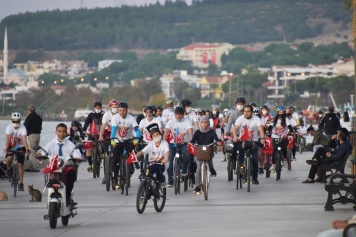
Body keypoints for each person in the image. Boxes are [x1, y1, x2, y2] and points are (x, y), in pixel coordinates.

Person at [38, 123, 82, 204]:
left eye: (64, 131)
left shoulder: (70, 145)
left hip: (66, 166)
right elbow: (44, 152)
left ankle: (67, 195)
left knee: (72, 173)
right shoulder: (50, 144)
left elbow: (76, 154)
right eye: (59, 131)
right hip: (54, 167)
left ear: (67, 133)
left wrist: (77, 158)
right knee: (49, 179)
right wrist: (40, 156)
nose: (61, 133)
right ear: (56, 132)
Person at [110, 101, 141, 187]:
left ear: (126, 110)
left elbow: (137, 130)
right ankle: (115, 178)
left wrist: (137, 138)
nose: (121, 112)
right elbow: (113, 130)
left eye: (123, 110)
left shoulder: (131, 118)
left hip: (128, 141)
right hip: (117, 141)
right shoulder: (115, 118)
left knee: (130, 157)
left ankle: (129, 170)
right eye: (120, 110)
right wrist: (112, 139)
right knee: (115, 159)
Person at [233, 105, 265, 184]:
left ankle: (254, 178)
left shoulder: (256, 119)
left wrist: (262, 138)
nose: (246, 113)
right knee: (240, 153)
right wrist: (235, 137)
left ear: (252, 112)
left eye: (248, 111)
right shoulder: (240, 119)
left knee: (254, 159)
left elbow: (260, 129)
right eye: (245, 111)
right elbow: (235, 128)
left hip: (254, 142)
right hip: (243, 141)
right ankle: (240, 168)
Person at [163, 106, 193, 187]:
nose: (178, 115)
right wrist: (163, 143)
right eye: (177, 114)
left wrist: (192, 141)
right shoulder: (171, 122)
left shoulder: (187, 121)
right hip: (173, 144)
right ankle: (170, 180)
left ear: (183, 114)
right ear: (174, 114)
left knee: (187, 154)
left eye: (180, 114)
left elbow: (190, 131)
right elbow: (166, 132)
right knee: (169, 160)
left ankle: (185, 169)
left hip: (184, 143)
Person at [190, 115, 220, 194]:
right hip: (199, 152)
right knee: (199, 168)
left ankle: (211, 169)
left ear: (208, 123)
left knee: (209, 158)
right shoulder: (197, 132)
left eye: (206, 122)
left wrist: (218, 142)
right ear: (200, 123)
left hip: (209, 150)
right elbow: (192, 141)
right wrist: (191, 144)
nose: (204, 124)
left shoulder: (211, 131)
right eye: (202, 122)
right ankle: (198, 186)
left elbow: (216, 139)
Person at [4, 112, 30, 191]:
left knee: (20, 164)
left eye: (18, 121)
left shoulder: (23, 128)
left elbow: (24, 140)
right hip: (12, 145)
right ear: (11, 120)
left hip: (20, 147)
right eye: (14, 121)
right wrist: (6, 148)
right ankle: (9, 169)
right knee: (9, 158)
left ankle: (21, 183)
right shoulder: (9, 127)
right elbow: (8, 139)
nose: (16, 123)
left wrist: (27, 149)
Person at [98, 99, 119, 184]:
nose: (115, 108)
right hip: (107, 134)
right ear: (110, 107)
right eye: (113, 107)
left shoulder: (119, 114)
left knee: (116, 155)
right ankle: (106, 175)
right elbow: (103, 126)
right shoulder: (106, 115)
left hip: (117, 135)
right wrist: (100, 136)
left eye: (116, 107)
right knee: (107, 156)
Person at [268, 106, 293, 172]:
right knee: (274, 150)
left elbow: (289, 126)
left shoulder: (286, 119)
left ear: (284, 112)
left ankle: (285, 160)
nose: (281, 113)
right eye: (280, 112)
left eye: (282, 112)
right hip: (275, 136)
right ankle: (273, 165)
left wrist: (291, 131)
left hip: (283, 136)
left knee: (284, 148)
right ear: (277, 112)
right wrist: (268, 130)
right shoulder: (274, 119)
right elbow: (270, 126)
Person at [83, 102, 105, 173]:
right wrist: (84, 130)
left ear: (101, 108)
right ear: (94, 108)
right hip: (92, 134)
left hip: (101, 134)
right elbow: (86, 123)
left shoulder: (104, 114)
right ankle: (90, 164)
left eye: (99, 107)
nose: (98, 109)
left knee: (103, 144)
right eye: (96, 107)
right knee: (89, 148)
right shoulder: (91, 115)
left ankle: (102, 153)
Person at [225, 96, 245, 166]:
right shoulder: (233, 114)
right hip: (235, 134)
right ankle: (233, 160)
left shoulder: (246, 113)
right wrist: (227, 131)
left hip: (245, 134)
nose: (240, 105)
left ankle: (246, 161)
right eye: (238, 104)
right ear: (236, 104)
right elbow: (229, 123)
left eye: (241, 104)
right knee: (234, 147)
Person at [24, 104, 42, 172]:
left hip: (32, 136)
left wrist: (26, 119)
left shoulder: (29, 117)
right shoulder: (39, 117)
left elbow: (25, 125)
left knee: (31, 152)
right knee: (35, 151)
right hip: (38, 135)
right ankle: (31, 166)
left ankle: (35, 167)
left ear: (29, 110)